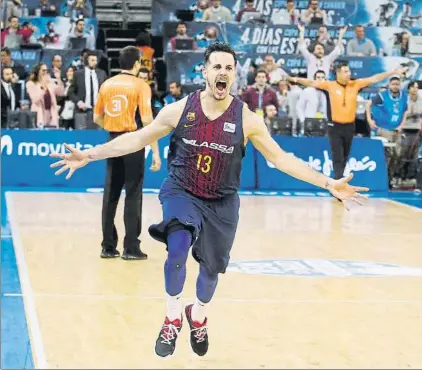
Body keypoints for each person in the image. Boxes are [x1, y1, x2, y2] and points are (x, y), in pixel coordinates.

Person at [50, 42, 369, 358]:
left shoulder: (247, 120)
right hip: (182, 191)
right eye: (217, 66)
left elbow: (282, 159)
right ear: (204, 71)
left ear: (234, 76)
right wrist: (90, 155)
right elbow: (137, 138)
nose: (223, 72)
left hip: (221, 202)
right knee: (177, 247)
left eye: (229, 68)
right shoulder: (179, 110)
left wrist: (328, 183)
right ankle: (172, 317)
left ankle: (197, 316)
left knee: (210, 274)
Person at [285, 62, 409, 180]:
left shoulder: (355, 84)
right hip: (335, 127)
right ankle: (338, 183)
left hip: (349, 127)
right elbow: (311, 82)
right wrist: (295, 79)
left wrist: (392, 72)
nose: (348, 73)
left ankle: (338, 180)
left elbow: (374, 78)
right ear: (338, 74)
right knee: (337, 156)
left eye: (349, 71)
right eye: (345, 71)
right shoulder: (330, 85)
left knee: (345, 156)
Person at [94, 46, 161, 260]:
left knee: (110, 194)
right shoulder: (140, 86)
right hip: (133, 140)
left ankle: (107, 246)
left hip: (112, 139)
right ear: (137, 63)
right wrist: (156, 151)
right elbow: (149, 121)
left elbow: (97, 118)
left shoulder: (106, 84)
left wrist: (113, 128)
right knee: (133, 193)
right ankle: (131, 247)